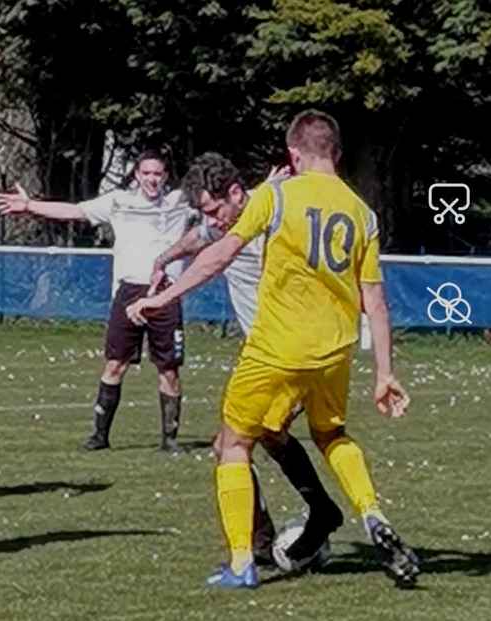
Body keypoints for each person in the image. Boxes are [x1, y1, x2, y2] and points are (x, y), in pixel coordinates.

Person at [127, 110, 420, 589]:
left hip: (276, 347)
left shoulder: (276, 195)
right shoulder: (362, 213)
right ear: (338, 154)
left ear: (293, 153)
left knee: (233, 445)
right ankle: (371, 512)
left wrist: (162, 297)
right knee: (331, 435)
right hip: (335, 352)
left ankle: (242, 563)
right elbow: (376, 300)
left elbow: (220, 253)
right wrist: (385, 372)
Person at [151, 152, 343, 565]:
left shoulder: (271, 209)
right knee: (267, 437)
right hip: (266, 352)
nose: (214, 220)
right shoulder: (230, 217)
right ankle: (314, 515)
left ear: (237, 194)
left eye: (215, 209)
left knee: (229, 446)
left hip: (289, 350)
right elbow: (200, 236)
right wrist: (164, 259)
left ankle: (258, 544)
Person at [0, 150, 190, 451]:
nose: (152, 179)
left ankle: (170, 440)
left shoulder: (179, 202)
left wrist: (266, 192)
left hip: (166, 293)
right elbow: (74, 211)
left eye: (157, 174)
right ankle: (100, 436)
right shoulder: (118, 202)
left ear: (165, 177)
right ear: (137, 175)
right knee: (115, 364)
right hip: (129, 292)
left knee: (169, 369)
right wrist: (30, 205)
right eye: (146, 173)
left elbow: (226, 204)